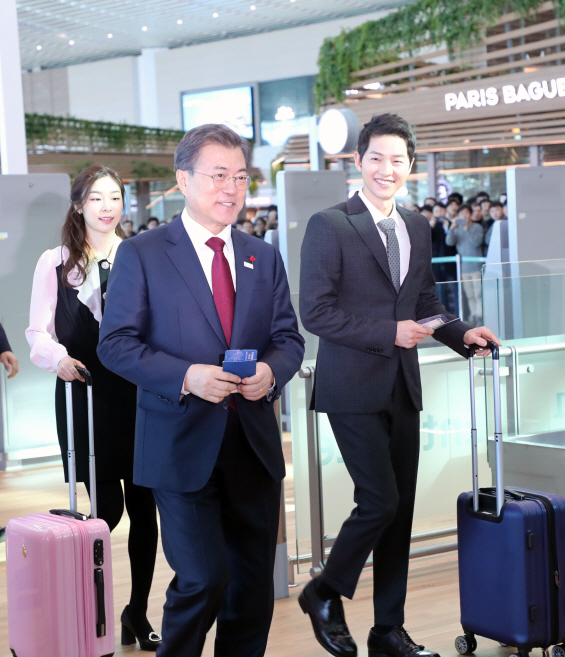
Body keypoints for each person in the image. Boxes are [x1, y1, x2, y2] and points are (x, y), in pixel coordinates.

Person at [97, 124, 305, 657]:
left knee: (250, 590)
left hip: (253, 445)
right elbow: (115, 343)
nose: (231, 188)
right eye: (218, 176)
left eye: (239, 177)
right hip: (179, 440)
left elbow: (288, 338)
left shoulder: (263, 255)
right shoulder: (142, 253)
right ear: (184, 179)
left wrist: (272, 372)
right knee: (204, 578)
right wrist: (186, 377)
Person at [299, 113, 499, 657]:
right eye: (377, 158)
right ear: (358, 161)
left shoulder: (413, 224)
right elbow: (315, 312)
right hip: (351, 387)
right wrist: (390, 332)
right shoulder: (330, 224)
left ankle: (388, 629)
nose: (387, 169)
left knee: (399, 511)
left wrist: (462, 334)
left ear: (410, 167)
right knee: (379, 500)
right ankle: (323, 590)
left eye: (398, 160)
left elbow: (425, 303)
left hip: (401, 388)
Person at [26, 164, 161, 652]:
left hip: (140, 395)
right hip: (85, 396)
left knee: (148, 510)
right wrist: (58, 358)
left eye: (116, 197)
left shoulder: (139, 256)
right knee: (106, 510)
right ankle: (90, 610)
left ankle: (137, 614)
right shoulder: (56, 262)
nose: (108, 206)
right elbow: (37, 330)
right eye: (98, 197)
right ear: (79, 204)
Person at [446, 204, 485, 325]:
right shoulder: (456, 229)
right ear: (458, 216)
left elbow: (476, 242)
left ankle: (480, 316)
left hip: (477, 267)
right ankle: (473, 315)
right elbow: (449, 242)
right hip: (464, 268)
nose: (464, 216)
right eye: (462, 214)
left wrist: (467, 230)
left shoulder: (477, 227)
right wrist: (452, 229)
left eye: (467, 213)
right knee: (469, 294)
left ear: (471, 214)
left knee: (478, 293)